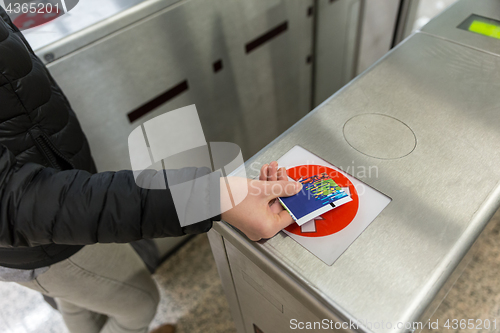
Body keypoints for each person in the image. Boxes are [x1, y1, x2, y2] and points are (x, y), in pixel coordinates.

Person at [0, 7, 301, 333]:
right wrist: (213, 196)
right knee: (139, 304)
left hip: (58, 196)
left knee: (78, 299)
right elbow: (13, 203)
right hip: (41, 240)